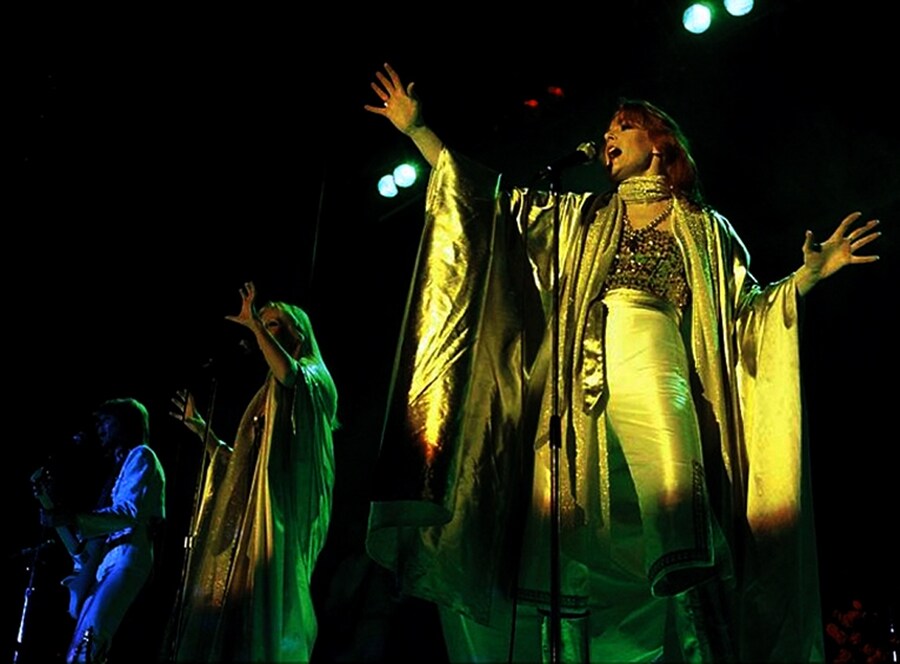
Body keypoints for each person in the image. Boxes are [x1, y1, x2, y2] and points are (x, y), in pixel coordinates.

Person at [362, 63, 881, 662]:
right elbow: (493, 202)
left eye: (623, 126)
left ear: (659, 145)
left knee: (671, 476)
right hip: (577, 384)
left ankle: (688, 583)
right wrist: (419, 132)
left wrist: (808, 277)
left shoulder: (704, 229)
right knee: (561, 520)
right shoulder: (581, 217)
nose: (607, 135)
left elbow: (746, 316)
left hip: (656, 358)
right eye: (607, 128)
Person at [167, 281, 339, 663]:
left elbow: (292, 375)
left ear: (298, 333)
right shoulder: (268, 393)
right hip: (254, 514)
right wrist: (202, 429)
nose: (263, 331)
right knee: (236, 612)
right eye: (264, 324)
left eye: (273, 324)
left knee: (270, 606)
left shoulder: (313, 377)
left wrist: (254, 324)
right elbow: (242, 465)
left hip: (283, 513)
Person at [38, 397, 167, 664]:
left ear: (126, 424)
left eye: (106, 421)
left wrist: (74, 518)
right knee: (82, 642)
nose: (99, 428)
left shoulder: (142, 455)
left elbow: (129, 512)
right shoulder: (117, 471)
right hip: (108, 561)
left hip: (128, 554)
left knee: (92, 636)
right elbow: (99, 529)